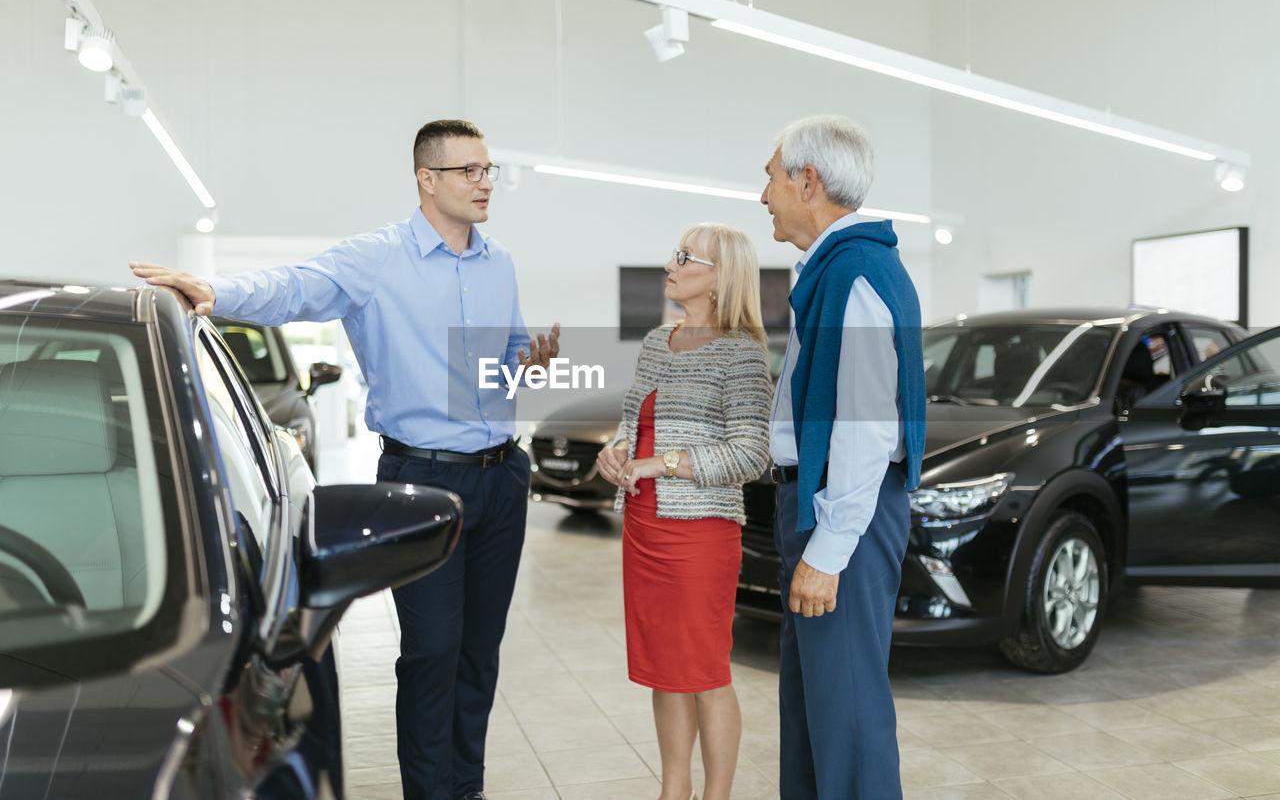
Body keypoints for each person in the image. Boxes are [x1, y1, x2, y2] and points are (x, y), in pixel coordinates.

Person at [131, 119, 559, 800]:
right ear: (427, 179)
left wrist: (529, 365)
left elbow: (500, 364)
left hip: (502, 475)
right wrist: (217, 294)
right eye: (469, 171)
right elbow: (297, 285)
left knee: (478, 653)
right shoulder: (379, 257)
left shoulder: (498, 261)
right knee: (431, 654)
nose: (485, 183)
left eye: (489, 171)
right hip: (423, 479)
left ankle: (466, 786)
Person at [759, 115, 925, 799]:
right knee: (814, 710)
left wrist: (829, 548)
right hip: (821, 504)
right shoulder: (834, 270)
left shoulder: (855, 274)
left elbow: (864, 424)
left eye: (769, 177)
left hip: (841, 511)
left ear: (808, 181)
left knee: (848, 718)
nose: (762, 194)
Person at [595, 223, 771, 800]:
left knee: (704, 673)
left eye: (684, 257)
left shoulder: (742, 354)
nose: (669, 265)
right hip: (644, 528)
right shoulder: (656, 341)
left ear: (720, 279)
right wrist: (616, 451)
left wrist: (663, 462)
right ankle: (675, 791)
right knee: (665, 670)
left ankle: (715, 796)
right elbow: (634, 420)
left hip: (700, 535)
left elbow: (751, 452)